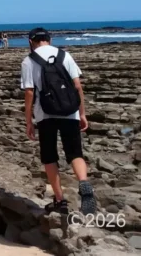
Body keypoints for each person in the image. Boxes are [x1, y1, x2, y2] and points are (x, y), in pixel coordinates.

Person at [21, 27, 97, 216]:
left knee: (49, 156)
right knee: (75, 152)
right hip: (69, 112)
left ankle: (60, 200)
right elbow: (77, 86)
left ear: (31, 42)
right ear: (50, 39)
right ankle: (83, 183)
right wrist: (82, 113)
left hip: (45, 114)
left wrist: (28, 119)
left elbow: (29, 92)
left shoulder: (29, 61)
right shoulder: (65, 55)